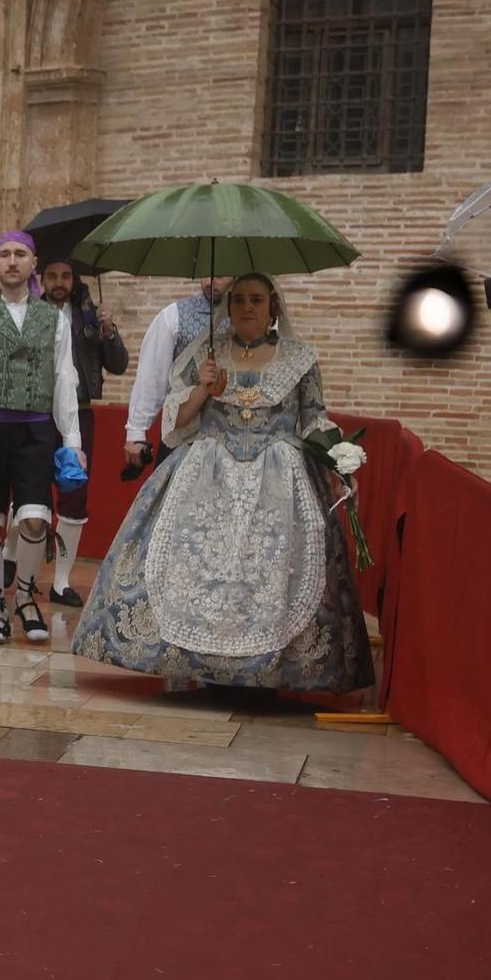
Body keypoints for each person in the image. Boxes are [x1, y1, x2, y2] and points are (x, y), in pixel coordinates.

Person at [73, 274, 373, 692]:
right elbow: (175, 421)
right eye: (238, 301)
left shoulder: (300, 358)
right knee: (192, 568)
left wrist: (341, 462)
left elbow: (314, 419)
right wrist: (203, 387)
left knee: (271, 574)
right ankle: (189, 663)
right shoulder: (206, 357)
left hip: (279, 484)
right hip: (206, 477)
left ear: (273, 308)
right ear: (227, 309)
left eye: (256, 300)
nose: (247, 308)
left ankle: (265, 669)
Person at [0, 231, 83, 646]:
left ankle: (25, 595)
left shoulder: (54, 319)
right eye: (4, 254)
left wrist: (72, 440)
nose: (11, 261)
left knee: (35, 519)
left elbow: (65, 378)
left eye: (19, 254)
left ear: (33, 264)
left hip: (36, 428)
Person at [42, 258, 129, 605]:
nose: (59, 282)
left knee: (74, 491)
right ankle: (17, 568)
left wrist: (109, 330)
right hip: (37, 413)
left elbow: (119, 365)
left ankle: (62, 581)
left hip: (78, 413)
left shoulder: (90, 316)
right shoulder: (29, 314)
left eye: (65, 276)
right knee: (30, 489)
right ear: (42, 279)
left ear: (74, 279)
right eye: (52, 276)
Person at [123, 275, 234, 472]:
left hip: (234, 441)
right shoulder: (175, 315)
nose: (209, 282)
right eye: (205, 275)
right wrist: (136, 432)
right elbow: (152, 376)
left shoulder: (253, 319)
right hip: (183, 432)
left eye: (219, 276)